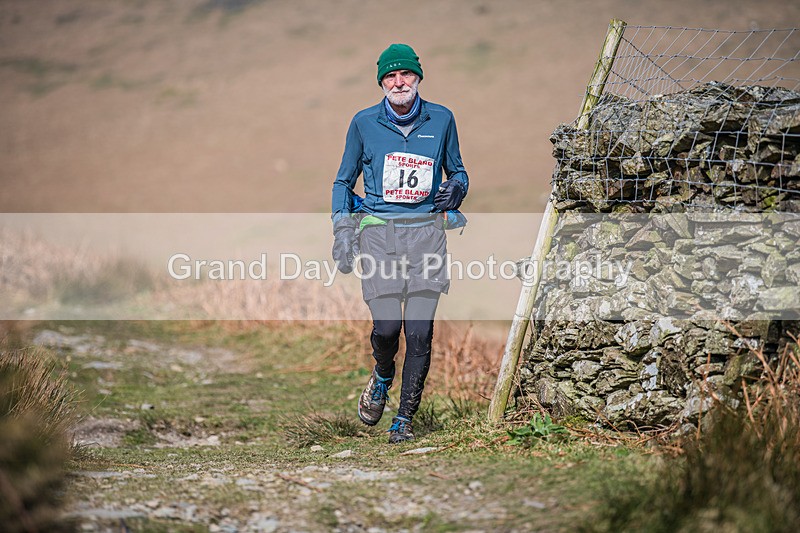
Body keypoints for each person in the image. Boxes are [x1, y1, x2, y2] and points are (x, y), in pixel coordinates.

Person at [331, 43, 469, 444]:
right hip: (379, 237)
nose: (398, 81)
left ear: (418, 78)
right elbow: (343, 181)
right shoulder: (363, 123)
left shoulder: (442, 119)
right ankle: (382, 375)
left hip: (427, 236)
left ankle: (404, 419)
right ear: (382, 83)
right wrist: (342, 230)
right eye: (390, 76)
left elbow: (458, 170)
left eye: (405, 74)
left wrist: (456, 189)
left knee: (421, 333)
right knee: (389, 328)